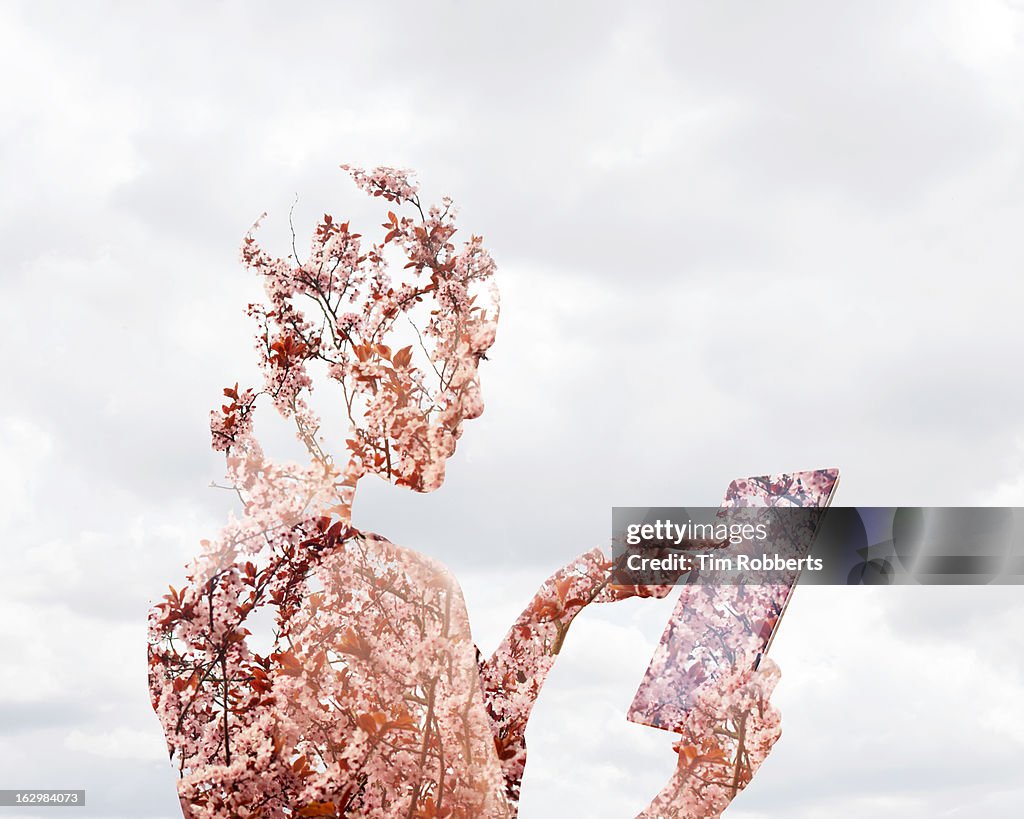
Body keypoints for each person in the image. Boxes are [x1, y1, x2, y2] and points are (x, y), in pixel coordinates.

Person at [148, 165, 781, 818]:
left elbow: (444, 763)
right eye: (466, 361)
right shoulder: (400, 591)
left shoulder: (220, 600)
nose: (473, 403)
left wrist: (566, 597)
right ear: (374, 362)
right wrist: (704, 784)